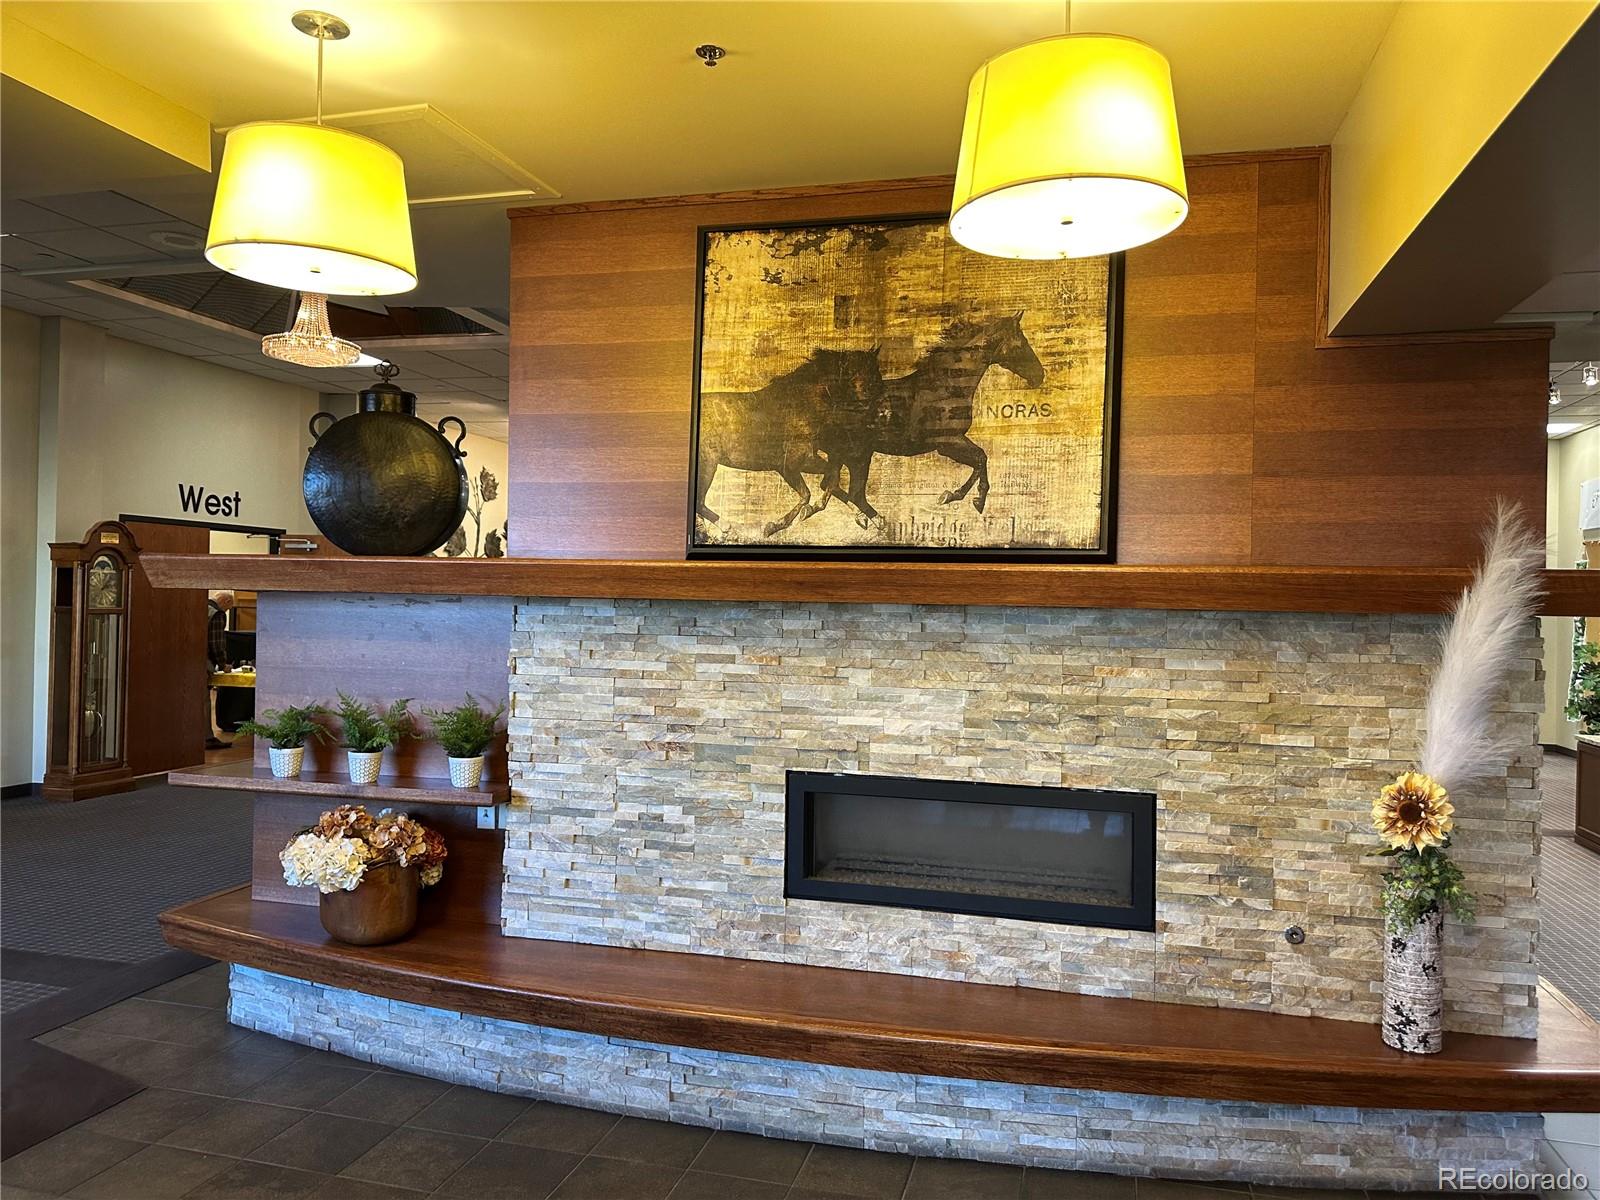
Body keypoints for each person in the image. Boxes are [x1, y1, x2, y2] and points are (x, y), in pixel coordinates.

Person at [205, 591, 234, 749]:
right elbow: (216, 643)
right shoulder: (217, 614)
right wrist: (223, 665)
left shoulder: (200, 607)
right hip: (203, 662)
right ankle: (207, 738)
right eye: (229, 608)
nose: (228, 611)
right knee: (203, 701)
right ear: (226, 601)